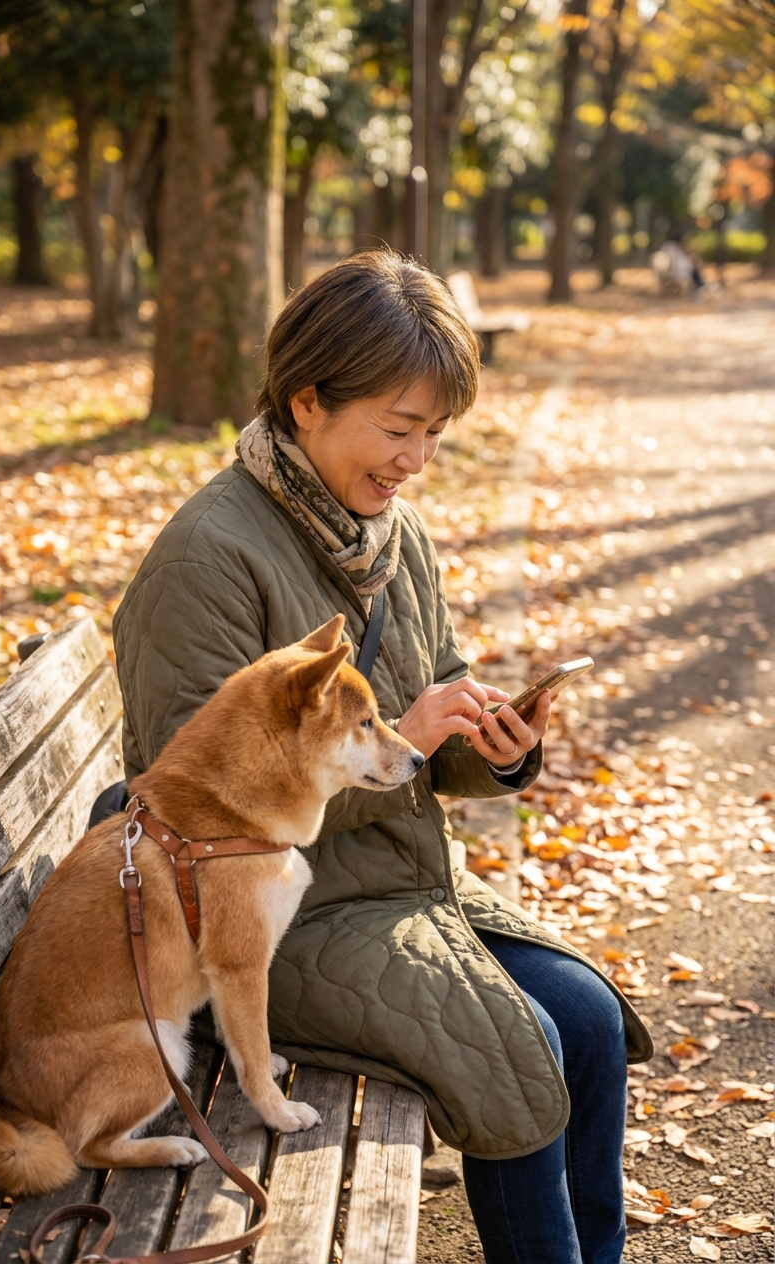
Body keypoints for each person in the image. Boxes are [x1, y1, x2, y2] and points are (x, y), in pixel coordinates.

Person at [113, 250, 652, 1264]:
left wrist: (487, 748)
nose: (415, 461)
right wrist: (395, 735)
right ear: (306, 401)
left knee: (580, 1014)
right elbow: (200, 807)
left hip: (397, 889)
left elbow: (424, 723)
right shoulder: (206, 560)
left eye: (433, 436)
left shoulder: (390, 535)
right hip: (264, 920)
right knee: (514, 1043)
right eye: (398, 430)